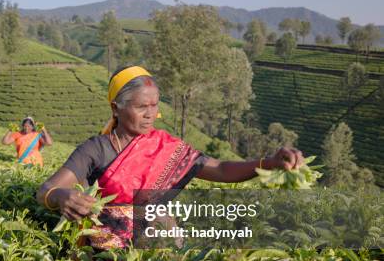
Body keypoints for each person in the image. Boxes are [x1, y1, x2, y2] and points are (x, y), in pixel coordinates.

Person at [37, 66, 305, 250]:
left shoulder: (166, 146)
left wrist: (269, 162)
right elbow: (47, 189)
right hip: (108, 255)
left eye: (155, 105)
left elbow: (221, 170)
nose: (150, 114)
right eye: (142, 107)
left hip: (161, 245)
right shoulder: (96, 149)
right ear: (115, 108)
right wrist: (62, 197)